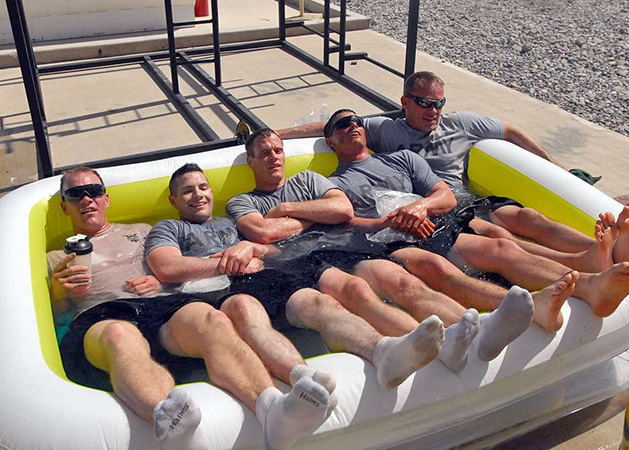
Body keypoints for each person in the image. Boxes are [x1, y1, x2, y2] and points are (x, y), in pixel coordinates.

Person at [48, 167, 332, 450]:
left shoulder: (143, 232)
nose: (87, 199)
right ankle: (171, 423)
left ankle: (272, 410)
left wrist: (158, 280)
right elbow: (57, 317)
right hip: (102, 314)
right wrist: (59, 293)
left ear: (106, 199)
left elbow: (177, 264)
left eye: (94, 191)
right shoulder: (55, 258)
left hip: (161, 305)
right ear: (65, 206)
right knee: (119, 337)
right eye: (76, 194)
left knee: (213, 319)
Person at [226, 129, 537, 370]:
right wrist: (314, 216)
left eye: (278, 150)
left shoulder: (307, 179)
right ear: (250, 161)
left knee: (408, 283)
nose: (274, 157)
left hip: (348, 247)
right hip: (301, 264)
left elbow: (343, 210)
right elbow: (263, 232)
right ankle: (442, 347)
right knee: (363, 291)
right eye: (264, 153)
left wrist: (288, 209)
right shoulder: (242, 201)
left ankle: (486, 330)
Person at [277, 72, 629, 273]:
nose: (432, 111)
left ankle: (599, 250)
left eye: (438, 104)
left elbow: (511, 131)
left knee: (527, 218)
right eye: (424, 103)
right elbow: (335, 125)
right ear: (405, 102)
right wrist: (275, 136)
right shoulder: (386, 131)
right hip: (431, 209)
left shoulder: (462, 124)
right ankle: (586, 263)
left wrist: (556, 167)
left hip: (462, 198)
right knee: (501, 239)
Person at [322, 109, 629, 331]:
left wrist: (420, 208)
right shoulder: (330, 185)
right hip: (393, 240)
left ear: (366, 129)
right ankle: (587, 281)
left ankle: (588, 269)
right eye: (341, 124)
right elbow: (341, 225)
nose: (352, 126)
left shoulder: (402, 158)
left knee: (503, 243)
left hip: (435, 222)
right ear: (330, 142)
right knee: (497, 248)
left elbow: (443, 195)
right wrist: (385, 223)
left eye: (356, 121)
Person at [146, 162, 448, 388]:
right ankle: (302, 383)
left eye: (202, 188)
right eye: (187, 191)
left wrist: (254, 249)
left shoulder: (233, 222)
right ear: (174, 201)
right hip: (213, 295)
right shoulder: (170, 227)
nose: (197, 195)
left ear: (212, 192)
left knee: (322, 304)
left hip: (264, 279)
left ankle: (383, 352)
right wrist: (234, 259)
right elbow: (167, 267)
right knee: (244, 311)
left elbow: (274, 250)